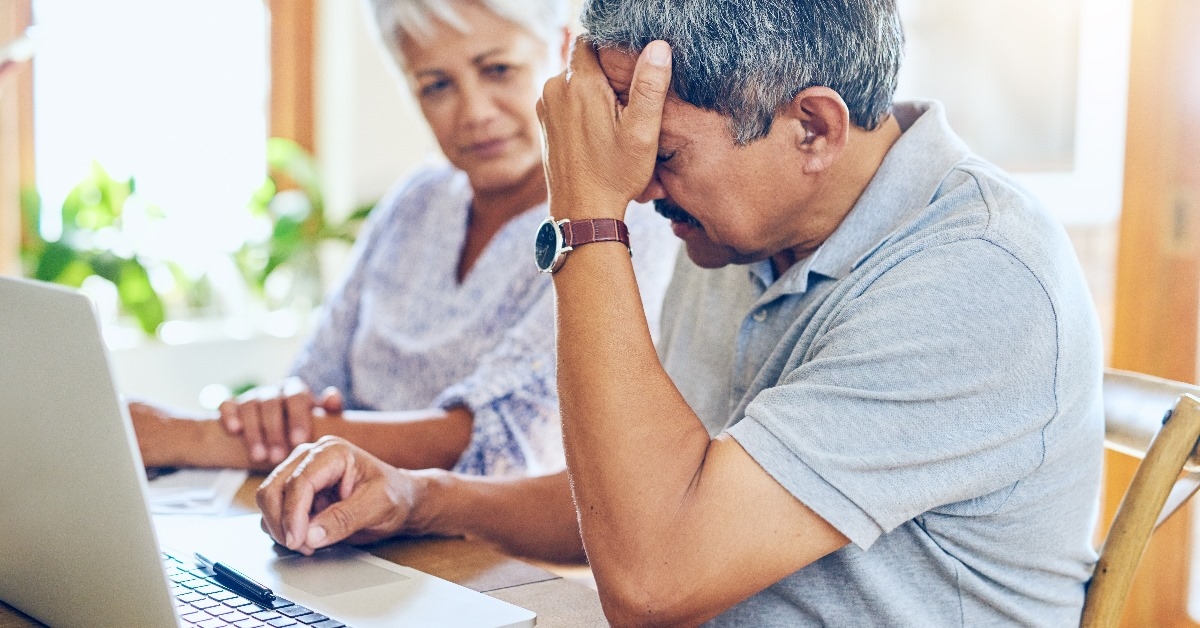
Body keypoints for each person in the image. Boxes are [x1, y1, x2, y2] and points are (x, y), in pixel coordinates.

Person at [256, 0, 1106, 624]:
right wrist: (421, 497)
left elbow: (654, 578)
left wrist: (586, 219)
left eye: (658, 153)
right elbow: (651, 495)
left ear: (813, 128)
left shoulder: (975, 277)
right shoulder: (743, 229)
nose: (637, 187)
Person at [131, 0, 676, 563]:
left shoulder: (613, 222)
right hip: (338, 540)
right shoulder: (415, 200)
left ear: (563, 49)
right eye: (436, 85)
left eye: (497, 69)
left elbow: (497, 441)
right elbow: (311, 382)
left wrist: (185, 435)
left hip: (489, 562)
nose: (474, 112)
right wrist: (280, 408)